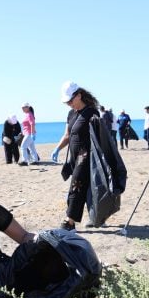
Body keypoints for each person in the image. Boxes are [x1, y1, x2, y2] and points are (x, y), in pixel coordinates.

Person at [50, 81, 101, 231]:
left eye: (70, 101)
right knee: (85, 188)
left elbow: (99, 138)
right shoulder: (71, 114)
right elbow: (67, 135)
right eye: (67, 102)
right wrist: (57, 149)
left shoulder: (92, 113)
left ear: (78, 95)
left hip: (86, 156)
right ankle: (96, 216)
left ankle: (70, 221)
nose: (69, 104)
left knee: (76, 186)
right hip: (74, 156)